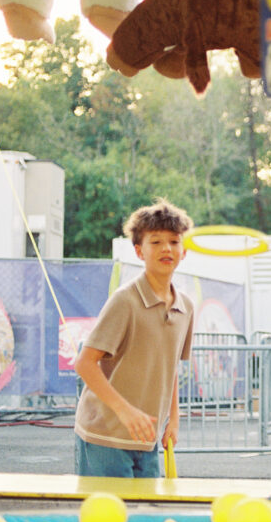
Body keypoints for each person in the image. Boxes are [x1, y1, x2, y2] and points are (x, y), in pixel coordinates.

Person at [73, 199, 195, 478]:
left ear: (183, 251)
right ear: (139, 251)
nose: (167, 248)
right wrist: (125, 411)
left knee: (145, 516)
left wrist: (173, 420)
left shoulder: (186, 307)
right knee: (108, 519)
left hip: (148, 439)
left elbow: (171, 367)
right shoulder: (124, 301)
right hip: (105, 436)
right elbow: (85, 364)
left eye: (174, 242)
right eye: (156, 242)